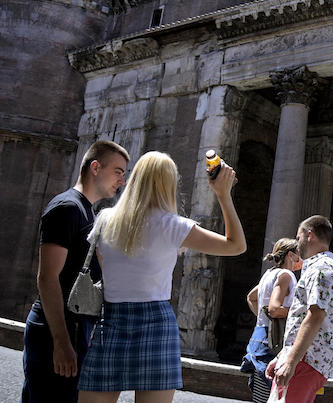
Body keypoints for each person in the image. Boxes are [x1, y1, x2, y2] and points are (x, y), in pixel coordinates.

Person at [78, 151, 246, 402]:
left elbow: (105, 274)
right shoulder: (174, 225)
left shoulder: (105, 219)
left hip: (111, 320)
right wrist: (223, 195)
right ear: (169, 184)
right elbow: (236, 246)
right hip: (157, 324)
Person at [22, 141, 130, 403]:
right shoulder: (67, 208)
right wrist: (61, 341)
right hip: (55, 330)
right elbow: (47, 278)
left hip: (73, 329)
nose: (122, 180)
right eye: (118, 171)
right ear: (95, 167)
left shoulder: (87, 212)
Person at [265, 215, 333, 403]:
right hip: (305, 359)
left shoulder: (321, 268)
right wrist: (285, 355)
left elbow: (315, 315)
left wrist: (291, 361)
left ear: (310, 235)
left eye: (298, 237)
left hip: (306, 361)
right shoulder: (319, 267)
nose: (296, 242)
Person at [244, 238, 301, 403]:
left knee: (261, 396)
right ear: (291, 255)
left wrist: (261, 317)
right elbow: (274, 309)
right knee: (274, 395)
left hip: (259, 334)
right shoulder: (286, 274)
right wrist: (300, 314)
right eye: (299, 254)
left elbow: (251, 297)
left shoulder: (268, 274)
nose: (301, 259)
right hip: (273, 340)